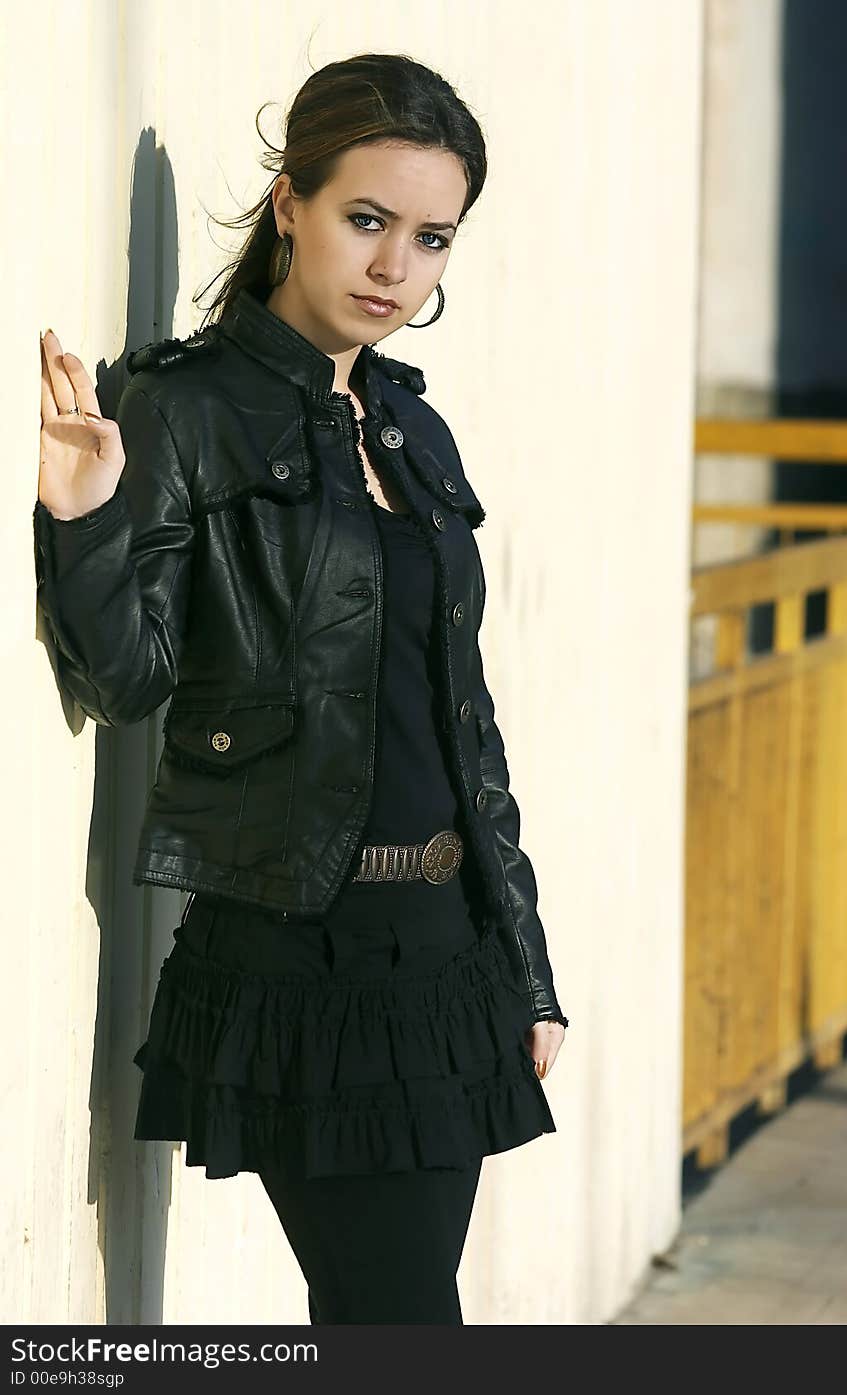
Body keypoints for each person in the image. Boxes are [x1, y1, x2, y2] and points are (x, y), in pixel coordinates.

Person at [33, 52, 568, 1325]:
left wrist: (525, 962)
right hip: (298, 949)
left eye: (430, 237)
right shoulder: (183, 409)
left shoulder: (411, 429)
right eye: (366, 220)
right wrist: (84, 516)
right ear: (291, 205)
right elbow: (124, 681)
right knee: (395, 1321)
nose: (395, 267)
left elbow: (463, 724)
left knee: (394, 1318)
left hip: (448, 953)